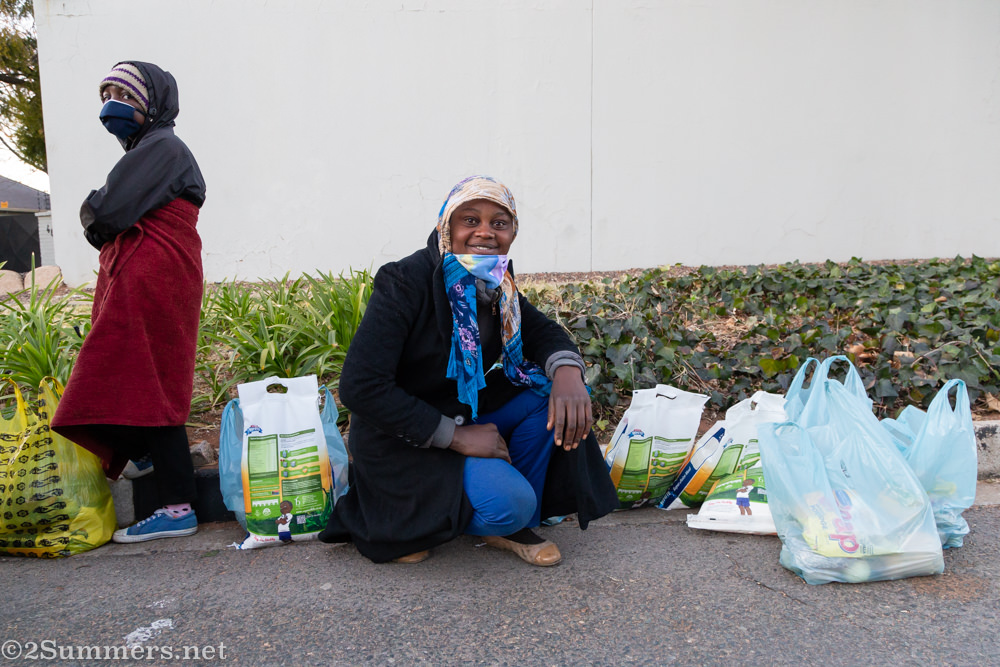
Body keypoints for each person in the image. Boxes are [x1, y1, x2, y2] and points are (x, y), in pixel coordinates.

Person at [319, 175, 617, 565]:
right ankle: (433, 518)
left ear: (512, 232)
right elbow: (360, 387)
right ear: (447, 226)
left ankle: (507, 520)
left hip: (463, 411)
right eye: (470, 220)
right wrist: (455, 436)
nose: (485, 232)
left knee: (547, 390)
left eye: (499, 222)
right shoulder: (406, 281)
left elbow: (542, 332)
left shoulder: (495, 283)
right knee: (510, 502)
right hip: (403, 437)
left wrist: (568, 374)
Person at [51, 61, 206, 543]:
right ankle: (142, 454)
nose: (111, 103)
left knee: (143, 377)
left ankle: (177, 507)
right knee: (135, 370)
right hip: (158, 274)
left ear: (153, 101)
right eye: (106, 93)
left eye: (123, 92)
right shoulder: (153, 149)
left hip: (153, 275)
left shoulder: (161, 147)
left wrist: (96, 217)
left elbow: (104, 210)